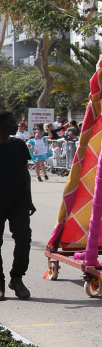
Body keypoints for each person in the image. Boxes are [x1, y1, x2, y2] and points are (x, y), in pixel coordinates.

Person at [0, 111, 35, 300]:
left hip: (18, 201)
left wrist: (28, 199)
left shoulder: (19, 145)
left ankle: (17, 278)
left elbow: (25, 173)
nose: (17, 125)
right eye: (12, 122)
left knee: (23, 238)